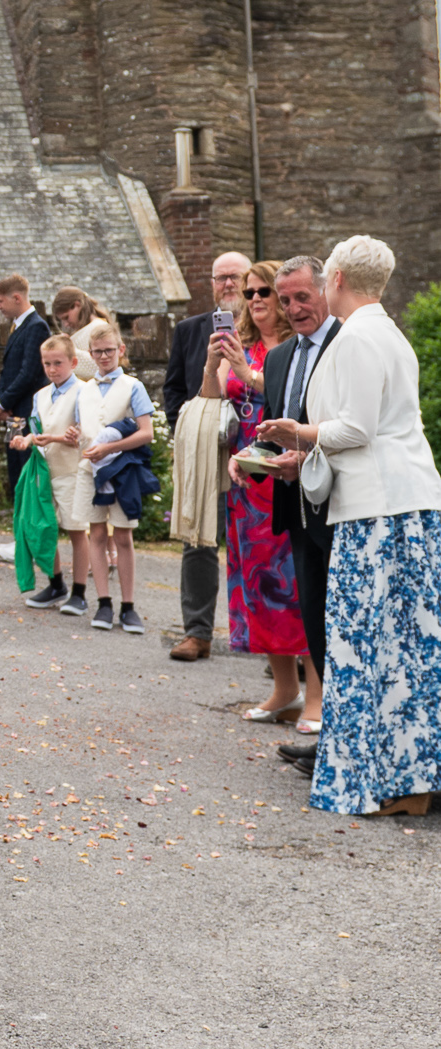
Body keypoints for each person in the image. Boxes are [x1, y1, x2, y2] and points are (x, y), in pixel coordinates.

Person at [262, 235, 441, 818]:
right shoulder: (388, 333)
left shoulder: (359, 337)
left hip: (377, 511)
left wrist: (296, 432)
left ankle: (379, 781)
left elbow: (357, 429)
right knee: (403, 649)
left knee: (363, 648)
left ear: (335, 278)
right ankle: (408, 780)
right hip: (401, 502)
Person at [242, 258, 341, 782]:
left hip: (345, 506)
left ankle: (340, 737)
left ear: (325, 290)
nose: (294, 308)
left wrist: (304, 455)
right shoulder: (279, 358)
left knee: (344, 626)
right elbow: (274, 430)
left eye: (303, 296)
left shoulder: (347, 342)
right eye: (286, 300)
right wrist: (251, 458)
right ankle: (331, 740)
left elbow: (353, 429)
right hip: (297, 511)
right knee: (316, 622)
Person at [206, 263, 316, 727]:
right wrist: (214, 364)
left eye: (263, 291)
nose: (254, 298)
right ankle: (284, 690)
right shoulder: (242, 344)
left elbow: (291, 395)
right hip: (247, 481)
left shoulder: (299, 347)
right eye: (249, 292)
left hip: (289, 474)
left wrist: (246, 372)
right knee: (259, 585)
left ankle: (317, 695)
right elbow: (212, 397)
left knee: (298, 584)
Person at [163, 250, 253, 660]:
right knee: (198, 541)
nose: (228, 284)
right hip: (204, 453)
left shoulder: (265, 328)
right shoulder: (190, 330)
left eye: (236, 276)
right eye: (221, 277)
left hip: (251, 451)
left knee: (256, 543)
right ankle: (197, 632)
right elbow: (172, 390)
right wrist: (187, 434)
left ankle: (263, 639)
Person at [72, 326, 154, 634]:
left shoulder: (133, 386)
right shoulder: (83, 390)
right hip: (89, 470)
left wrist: (109, 448)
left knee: (122, 536)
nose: (104, 356)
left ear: (120, 349)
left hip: (122, 471)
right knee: (95, 533)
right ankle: (103, 603)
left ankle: (128, 606)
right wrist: (74, 436)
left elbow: (147, 433)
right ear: (91, 354)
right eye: (98, 351)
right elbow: (83, 430)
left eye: (109, 350)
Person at [10, 334, 89, 611]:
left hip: (72, 471)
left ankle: (79, 592)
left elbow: (84, 435)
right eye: (47, 364)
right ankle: (56, 584)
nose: (52, 369)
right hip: (45, 472)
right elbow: (37, 430)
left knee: (77, 531)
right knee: (46, 527)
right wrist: (26, 440)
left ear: (73, 363)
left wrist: (56, 438)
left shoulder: (83, 392)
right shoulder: (40, 395)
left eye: (58, 363)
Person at [0, 274, 50, 497]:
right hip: (13, 414)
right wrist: (0, 400)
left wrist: (3, 402)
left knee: (26, 469)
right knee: (15, 469)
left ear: (16, 298)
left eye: (0, 301)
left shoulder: (37, 327)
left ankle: (29, 516)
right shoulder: (18, 326)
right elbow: (8, 371)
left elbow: (29, 373)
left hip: (26, 411)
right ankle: (19, 516)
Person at [51, 287, 113, 381]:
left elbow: (100, 366)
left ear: (77, 305)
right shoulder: (83, 331)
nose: (66, 324)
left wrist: (66, 349)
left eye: (66, 317)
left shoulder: (100, 328)